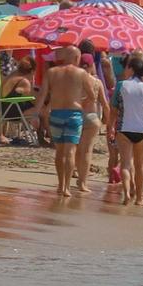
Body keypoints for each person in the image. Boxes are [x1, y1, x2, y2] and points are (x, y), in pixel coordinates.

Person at [35, 44, 103, 198]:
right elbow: (92, 96)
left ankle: (60, 185)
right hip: (74, 115)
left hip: (56, 114)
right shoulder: (81, 73)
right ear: (76, 58)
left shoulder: (51, 72)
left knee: (59, 151)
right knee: (70, 151)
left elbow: (42, 94)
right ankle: (66, 187)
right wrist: (80, 103)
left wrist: (35, 115)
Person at [110, 54, 143, 205]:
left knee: (125, 164)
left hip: (124, 129)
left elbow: (113, 109)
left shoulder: (121, 85)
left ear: (131, 68)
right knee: (140, 166)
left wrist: (110, 127)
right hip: (142, 130)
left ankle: (126, 194)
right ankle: (139, 198)